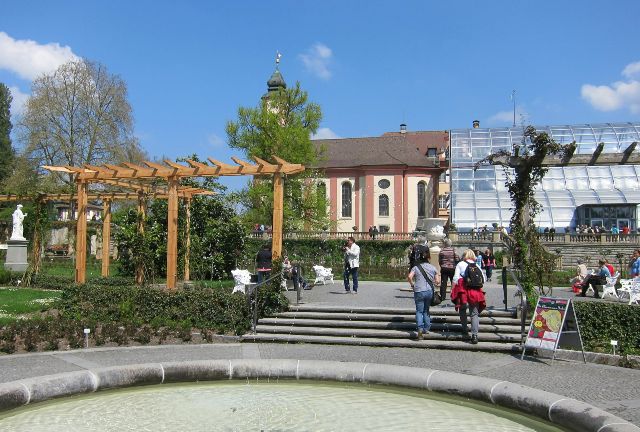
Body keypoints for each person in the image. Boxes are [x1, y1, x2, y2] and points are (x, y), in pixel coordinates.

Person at [451, 249, 487, 345]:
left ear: (464, 255)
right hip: (475, 291)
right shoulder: (477, 265)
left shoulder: (460, 264)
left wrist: (453, 288)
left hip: (463, 291)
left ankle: (465, 329)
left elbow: (455, 278)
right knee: (474, 313)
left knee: (462, 309)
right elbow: (483, 279)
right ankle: (474, 335)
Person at [407, 248, 440, 340]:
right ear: (428, 257)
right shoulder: (433, 267)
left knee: (419, 311)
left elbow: (409, 277)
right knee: (426, 310)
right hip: (429, 291)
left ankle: (420, 330)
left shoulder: (416, 267)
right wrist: (434, 282)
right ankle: (426, 328)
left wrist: (413, 285)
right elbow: (437, 281)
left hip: (418, 290)